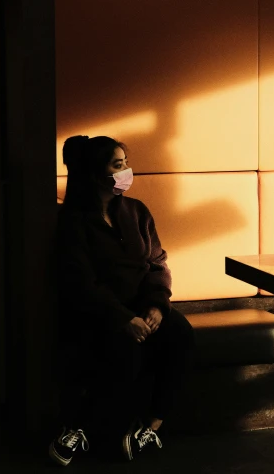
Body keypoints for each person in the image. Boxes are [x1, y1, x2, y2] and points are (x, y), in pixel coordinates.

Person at [49, 135, 195, 466]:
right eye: (118, 165)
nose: (127, 171)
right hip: (99, 314)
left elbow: (158, 263)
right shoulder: (74, 222)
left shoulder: (137, 211)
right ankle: (79, 428)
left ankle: (151, 425)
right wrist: (121, 318)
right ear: (95, 173)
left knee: (182, 335)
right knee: (125, 351)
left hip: (144, 308)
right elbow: (80, 282)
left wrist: (157, 305)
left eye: (126, 162)